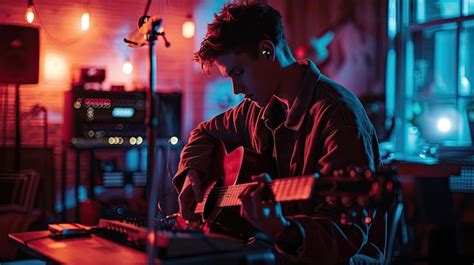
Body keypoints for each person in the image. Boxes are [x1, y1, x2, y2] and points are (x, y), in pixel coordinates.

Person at [172, 2, 384, 264]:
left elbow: (344, 235)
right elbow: (204, 133)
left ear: (266, 51)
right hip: (272, 248)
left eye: (238, 72)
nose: (236, 89)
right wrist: (192, 174)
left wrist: (284, 231)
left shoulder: (338, 114)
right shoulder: (254, 109)